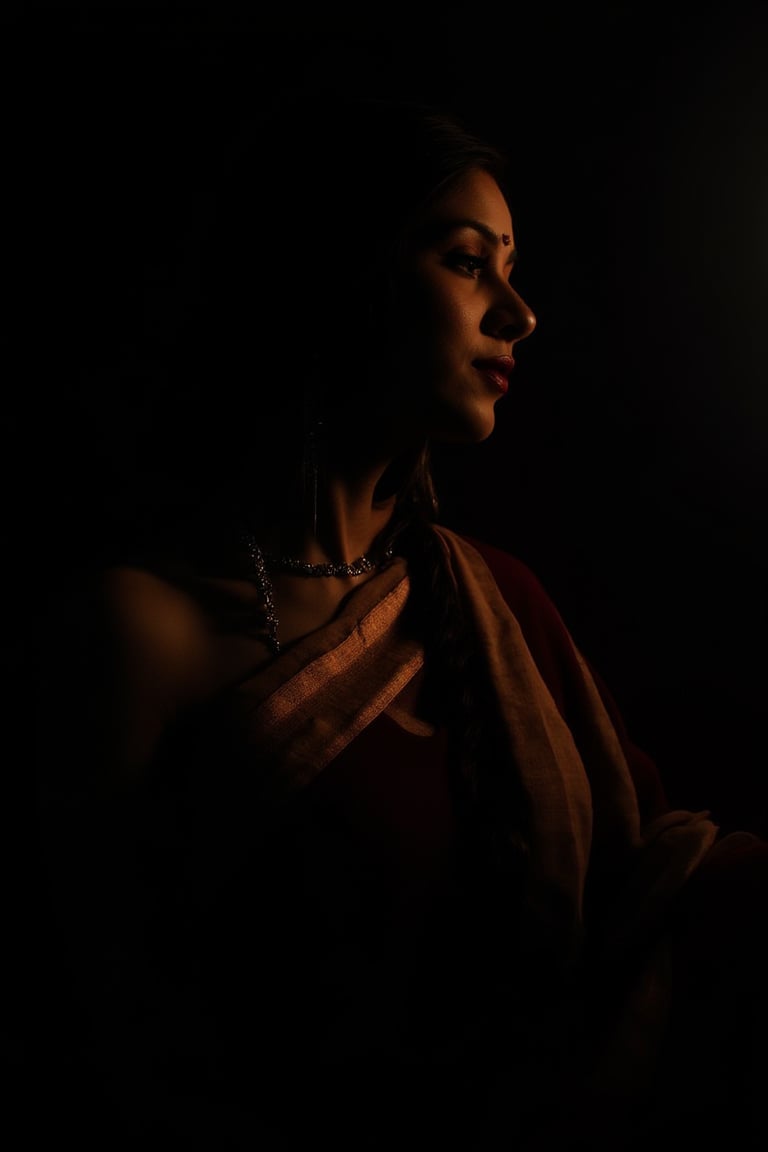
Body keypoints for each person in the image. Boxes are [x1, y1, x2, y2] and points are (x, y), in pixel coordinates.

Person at [37, 89, 767, 1150]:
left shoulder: (493, 599)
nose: (518, 314)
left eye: (512, 268)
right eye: (468, 261)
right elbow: (108, 1038)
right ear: (337, 273)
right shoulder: (138, 632)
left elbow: (653, 875)